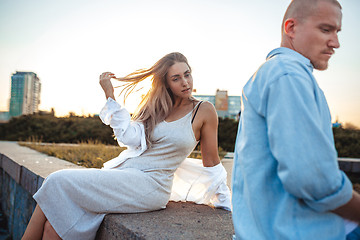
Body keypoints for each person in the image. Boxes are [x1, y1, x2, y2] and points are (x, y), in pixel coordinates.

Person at [22, 52, 231, 240]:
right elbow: (128, 137)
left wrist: (226, 204)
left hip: (152, 185)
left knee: (56, 180)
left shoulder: (203, 110)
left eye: (187, 74)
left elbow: (211, 161)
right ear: (166, 84)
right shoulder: (157, 107)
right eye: (176, 78)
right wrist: (109, 95)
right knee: (53, 228)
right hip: (126, 174)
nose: (185, 82)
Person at [231, 0, 360, 239]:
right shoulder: (288, 74)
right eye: (326, 29)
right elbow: (312, 180)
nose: (336, 43)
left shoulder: (275, 71)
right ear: (291, 28)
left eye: (337, 32)